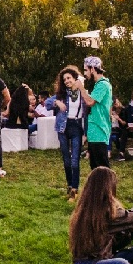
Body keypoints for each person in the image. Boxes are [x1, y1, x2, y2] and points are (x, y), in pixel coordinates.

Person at [53, 66, 87, 200]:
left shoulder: (82, 93)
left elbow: (88, 113)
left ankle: (75, 189)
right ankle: (69, 184)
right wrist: (57, 102)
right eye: (64, 79)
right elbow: (49, 102)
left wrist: (86, 133)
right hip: (62, 127)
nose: (67, 81)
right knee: (66, 159)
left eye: (69, 78)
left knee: (75, 160)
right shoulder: (62, 93)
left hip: (76, 126)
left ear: (75, 78)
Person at [78, 56, 113, 170]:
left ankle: (107, 187)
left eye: (85, 70)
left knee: (102, 167)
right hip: (94, 130)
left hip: (99, 129)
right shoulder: (98, 85)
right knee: (95, 166)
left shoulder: (103, 84)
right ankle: (97, 187)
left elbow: (90, 102)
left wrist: (81, 88)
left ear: (92, 69)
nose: (85, 73)